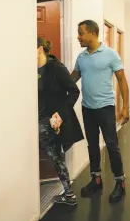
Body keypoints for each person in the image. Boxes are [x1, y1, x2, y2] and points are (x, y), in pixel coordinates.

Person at [71, 20, 130, 203]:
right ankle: (96, 179)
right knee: (92, 145)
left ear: (93, 33)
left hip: (105, 108)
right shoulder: (81, 58)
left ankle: (120, 183)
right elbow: (74, 77)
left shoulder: (110, 54)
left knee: (112, 146)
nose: (78, 37)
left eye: (81, 33)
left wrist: (125, 107)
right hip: (87, 108)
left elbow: (122, 80)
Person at [37, 36, 84, 206]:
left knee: (54, 155)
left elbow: (74, 91)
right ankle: (69, 194)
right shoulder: (30, 68)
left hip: (52, 120)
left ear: (39, 49)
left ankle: (69, 194)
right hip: (36, 118)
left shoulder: (56, 68)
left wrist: (60, 115)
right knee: (53, 156)